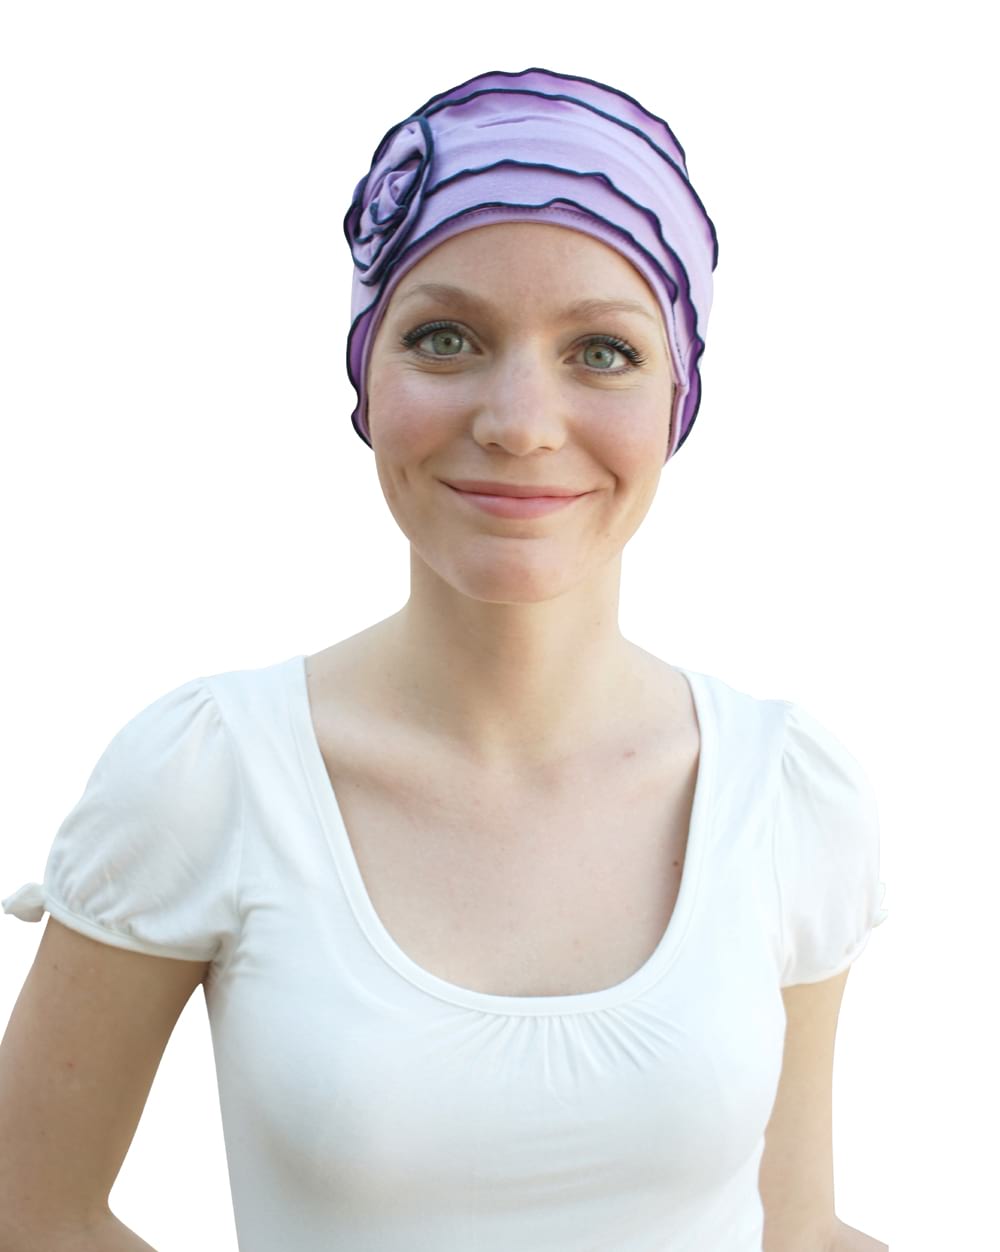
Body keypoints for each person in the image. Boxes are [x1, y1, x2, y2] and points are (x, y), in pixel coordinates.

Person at [0, 66, 888, 1252]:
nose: (518, 422)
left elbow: (795, 1230)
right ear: (367, 376)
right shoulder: (210, 774)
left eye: (602, 351)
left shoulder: (784, 793)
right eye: (444, 337)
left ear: (680, 392)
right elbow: (30, 1211)